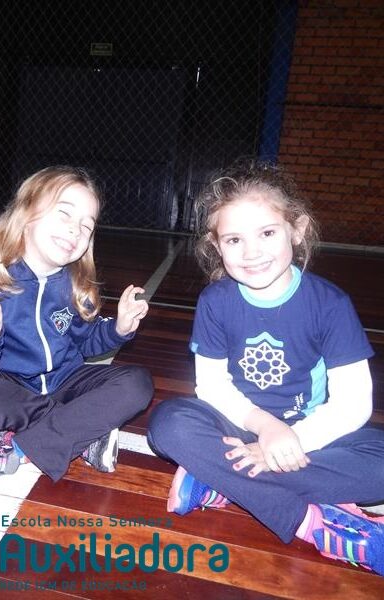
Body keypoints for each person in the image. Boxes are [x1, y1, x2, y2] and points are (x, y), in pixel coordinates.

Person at [148, 161, 384, 575]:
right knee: (168, 425)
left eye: (267, 233)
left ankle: (219, 479)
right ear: (216, 245)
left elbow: (353, 404)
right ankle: (313, 523)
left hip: (307, 438)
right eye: (234, 239)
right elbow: (213, 387)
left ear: (298, 229)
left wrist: (291, 439)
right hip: (238, 427)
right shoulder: (216, 302)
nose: (251, 252)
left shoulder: (330, 305)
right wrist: (265, 428)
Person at [0, 165, 153, 486]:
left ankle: (15, 446)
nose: (75, 230)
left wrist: (119, 329)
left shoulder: (75, 282)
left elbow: (85, 341)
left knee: (137, 383)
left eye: (86, 225)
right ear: (26, 213)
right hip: (12, 391)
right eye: (64, 214)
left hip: (66, 381)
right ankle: (82, 431)